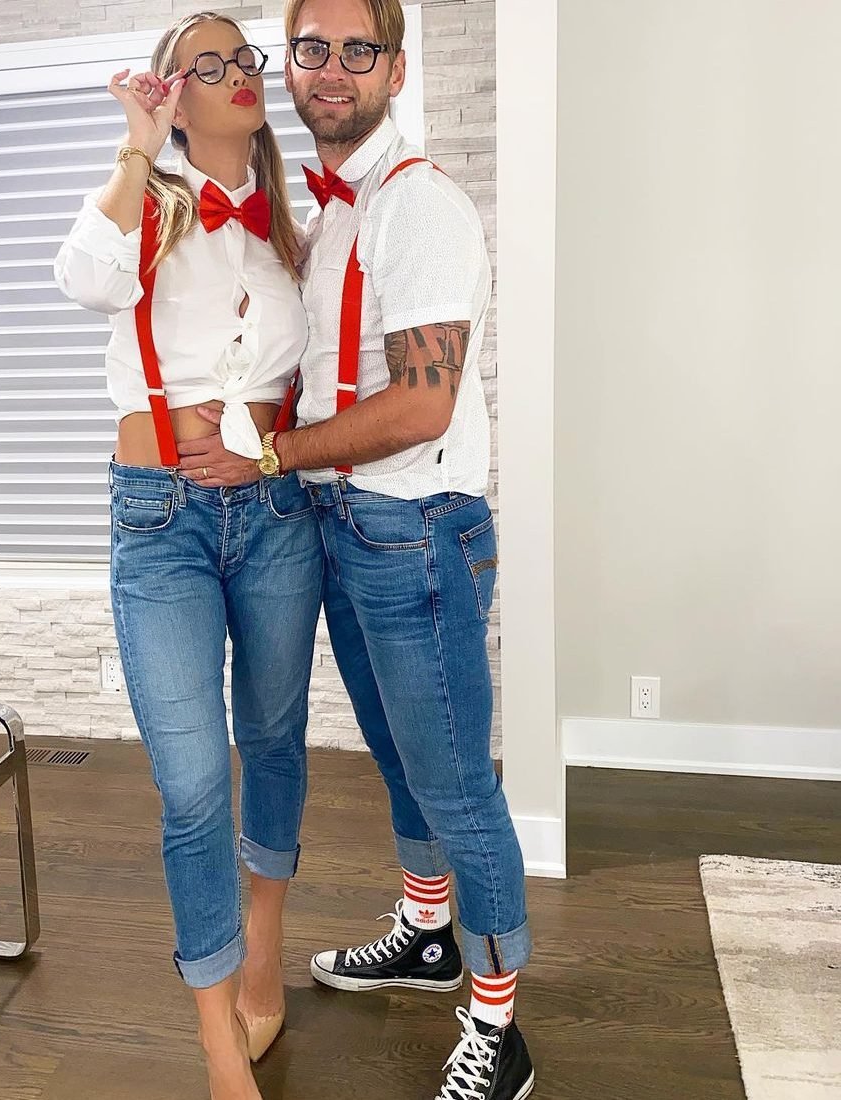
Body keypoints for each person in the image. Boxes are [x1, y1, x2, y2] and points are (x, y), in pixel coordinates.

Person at [176, 0, 536, 1096]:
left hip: (414, 531)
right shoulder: (332, 211)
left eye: (357, 50)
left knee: (456, 783)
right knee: (397, 753)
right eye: (312, 49)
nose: (331, 70)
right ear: (291, 65)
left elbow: (422, 406)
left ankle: (501, 1028)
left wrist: (271, 455)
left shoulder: (415, 204)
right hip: (346, 525)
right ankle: (429, 931)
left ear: (395, 67)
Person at [53, 13, 323, 1099]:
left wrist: (272, 449)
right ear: (174, 94)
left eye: (241, 57)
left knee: (275, 739)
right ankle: (217, 1039)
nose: (234, 74)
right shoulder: (146, 209)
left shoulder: (295, 224)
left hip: (277, 512)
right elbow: (81, 278)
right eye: (204, 65)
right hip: (161, 520)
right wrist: (137, 143)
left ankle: (265, 948)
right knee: (195, 778)